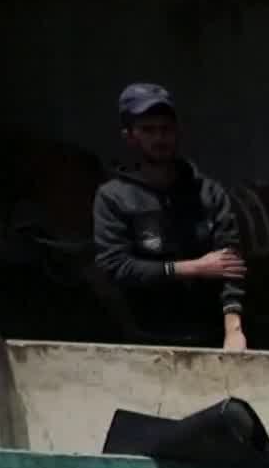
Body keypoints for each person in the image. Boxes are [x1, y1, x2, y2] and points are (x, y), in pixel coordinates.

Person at [91, 82, 249, 350]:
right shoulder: (113, 197)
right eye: (148, 130)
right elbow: (116, 267)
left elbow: (230, 267)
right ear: (129, 136)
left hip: (209, 338)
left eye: (166, 129)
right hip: (142, 340)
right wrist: (193, 268)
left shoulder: (209, 193)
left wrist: (233, 331)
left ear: (177, 133)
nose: (159, 138)